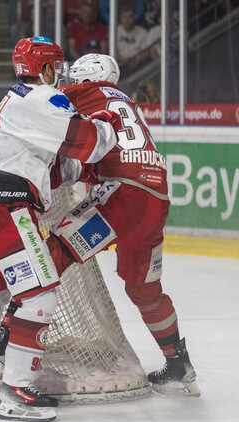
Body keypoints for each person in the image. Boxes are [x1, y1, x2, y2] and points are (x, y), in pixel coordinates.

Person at [0, 36, 121, 422]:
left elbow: (45, 165)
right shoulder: (44, 99)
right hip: (5, 210)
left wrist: (74, 168)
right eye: (55, 65)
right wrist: (109, 122)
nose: (59, 73)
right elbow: (90, 144)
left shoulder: (15, 98)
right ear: (43, 68)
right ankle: (17, 390)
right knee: (40, 297)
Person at [52, 53, 198, 396]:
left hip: (121, 199)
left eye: (74, 77)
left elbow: (46, 114)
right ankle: (179, 362)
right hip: (155, 200)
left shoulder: (85, 94)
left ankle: (6, 334)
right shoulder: (125, 102)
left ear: (86, 77)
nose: (68, 82)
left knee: (52, 252)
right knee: (144, 290)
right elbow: (100, 156)